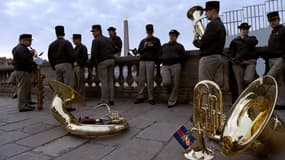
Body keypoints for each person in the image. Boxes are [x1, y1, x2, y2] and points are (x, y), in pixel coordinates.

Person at [193, 1, 226, 87]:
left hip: (208, 59)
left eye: (207, 11)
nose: (205, 14)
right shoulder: (221, 25)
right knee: (215, 88)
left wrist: (195, 39)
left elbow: (202, 44)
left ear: (213, 10)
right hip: (218, 58)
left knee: (205, 87)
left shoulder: (212, 24)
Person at [48, 25, 76, 111]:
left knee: (58, 86)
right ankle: (67, 106)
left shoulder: (52, 44)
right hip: (66, 64)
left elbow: (50, 57)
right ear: (64, 33)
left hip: (57, 66)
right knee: (68, 85)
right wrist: (71, 64)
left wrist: (54, 66)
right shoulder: (67, 43)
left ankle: (56, 104)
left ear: (56, 34)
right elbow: (72, 55)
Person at [134, 24, 161, 105]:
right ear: (146, 31)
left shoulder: (156, 40)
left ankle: (151, 97)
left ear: (152, 31)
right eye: (148, 31)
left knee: (150, 80)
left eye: (150, 31)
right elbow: (139, 51)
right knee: (141, 80)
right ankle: (140, 96)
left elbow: (159, 51)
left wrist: (152, 46)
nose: (149, 32)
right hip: (142, 61)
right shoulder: (143, 41)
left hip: (151, 61)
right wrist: (144, 47)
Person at [228, 22, 258, 94]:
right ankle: (241, 102)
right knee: (240, 84)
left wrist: (244, 38)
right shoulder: (234, 41)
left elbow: (254, 42)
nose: (245, 30)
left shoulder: (252, 38)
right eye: (243, 29)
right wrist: (233, 59)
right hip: (238, 63)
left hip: (250, 62)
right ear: (240, 30)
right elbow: (231, 54)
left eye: (246, 29)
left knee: (248, 79)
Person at [160, 29, 186, 108]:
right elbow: (159, 54)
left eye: (174, 35)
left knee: (175, 84)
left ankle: (172, 101)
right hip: (165, 66)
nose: (172, 37)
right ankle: (168, 92)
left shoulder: (180, 46)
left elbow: (184, 56)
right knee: (166, 82)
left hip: (176, 66)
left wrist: (178, 61)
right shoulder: (164, 46)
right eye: (171, 35)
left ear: (176, 37)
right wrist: (162, 59)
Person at [90, 24, 115, 105]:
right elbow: (114, 49)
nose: (93, 34)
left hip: (102, 62)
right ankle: (111, 99)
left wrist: (91, 65)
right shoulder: (109, 39)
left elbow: (93, 55)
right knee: (110, 81)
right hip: (111, 61)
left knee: (104, 82)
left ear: (98, 31)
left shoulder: (96, 40)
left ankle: (105, 100)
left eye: (93, 32)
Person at [12, 34, 37, 112]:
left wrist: (30, 53)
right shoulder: (21, 49)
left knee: (25, 88)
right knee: (23, 89)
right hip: (23, 71)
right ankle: (22, 106)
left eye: (30, 40)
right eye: (28, 40)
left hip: (20, 70)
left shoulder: (19, 48)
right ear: (22, 40)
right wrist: (36, 62)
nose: (30, 42)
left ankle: (26, 103)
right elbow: (26, 60)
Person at [266, 11, 285, 109]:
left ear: (278, 19)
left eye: (274, 20)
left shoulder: (283, 30)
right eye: (270, 21)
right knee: (279, 81)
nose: (272, 22)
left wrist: (283, 58)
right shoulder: (273, 32)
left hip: (279, 59)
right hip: (271, 59)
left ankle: (268, 101)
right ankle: (281, 103)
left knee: (269, 78)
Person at [72, 34, 88, 98]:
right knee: (76, 83)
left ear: (78, 39)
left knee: (80, 83)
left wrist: (78, 63)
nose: (73, 41)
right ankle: (78, 96)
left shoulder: (83, 47)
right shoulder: (76, 48)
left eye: (74, 39)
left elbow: (85, 58)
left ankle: (81, 97)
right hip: (75, 67)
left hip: (80, 67)